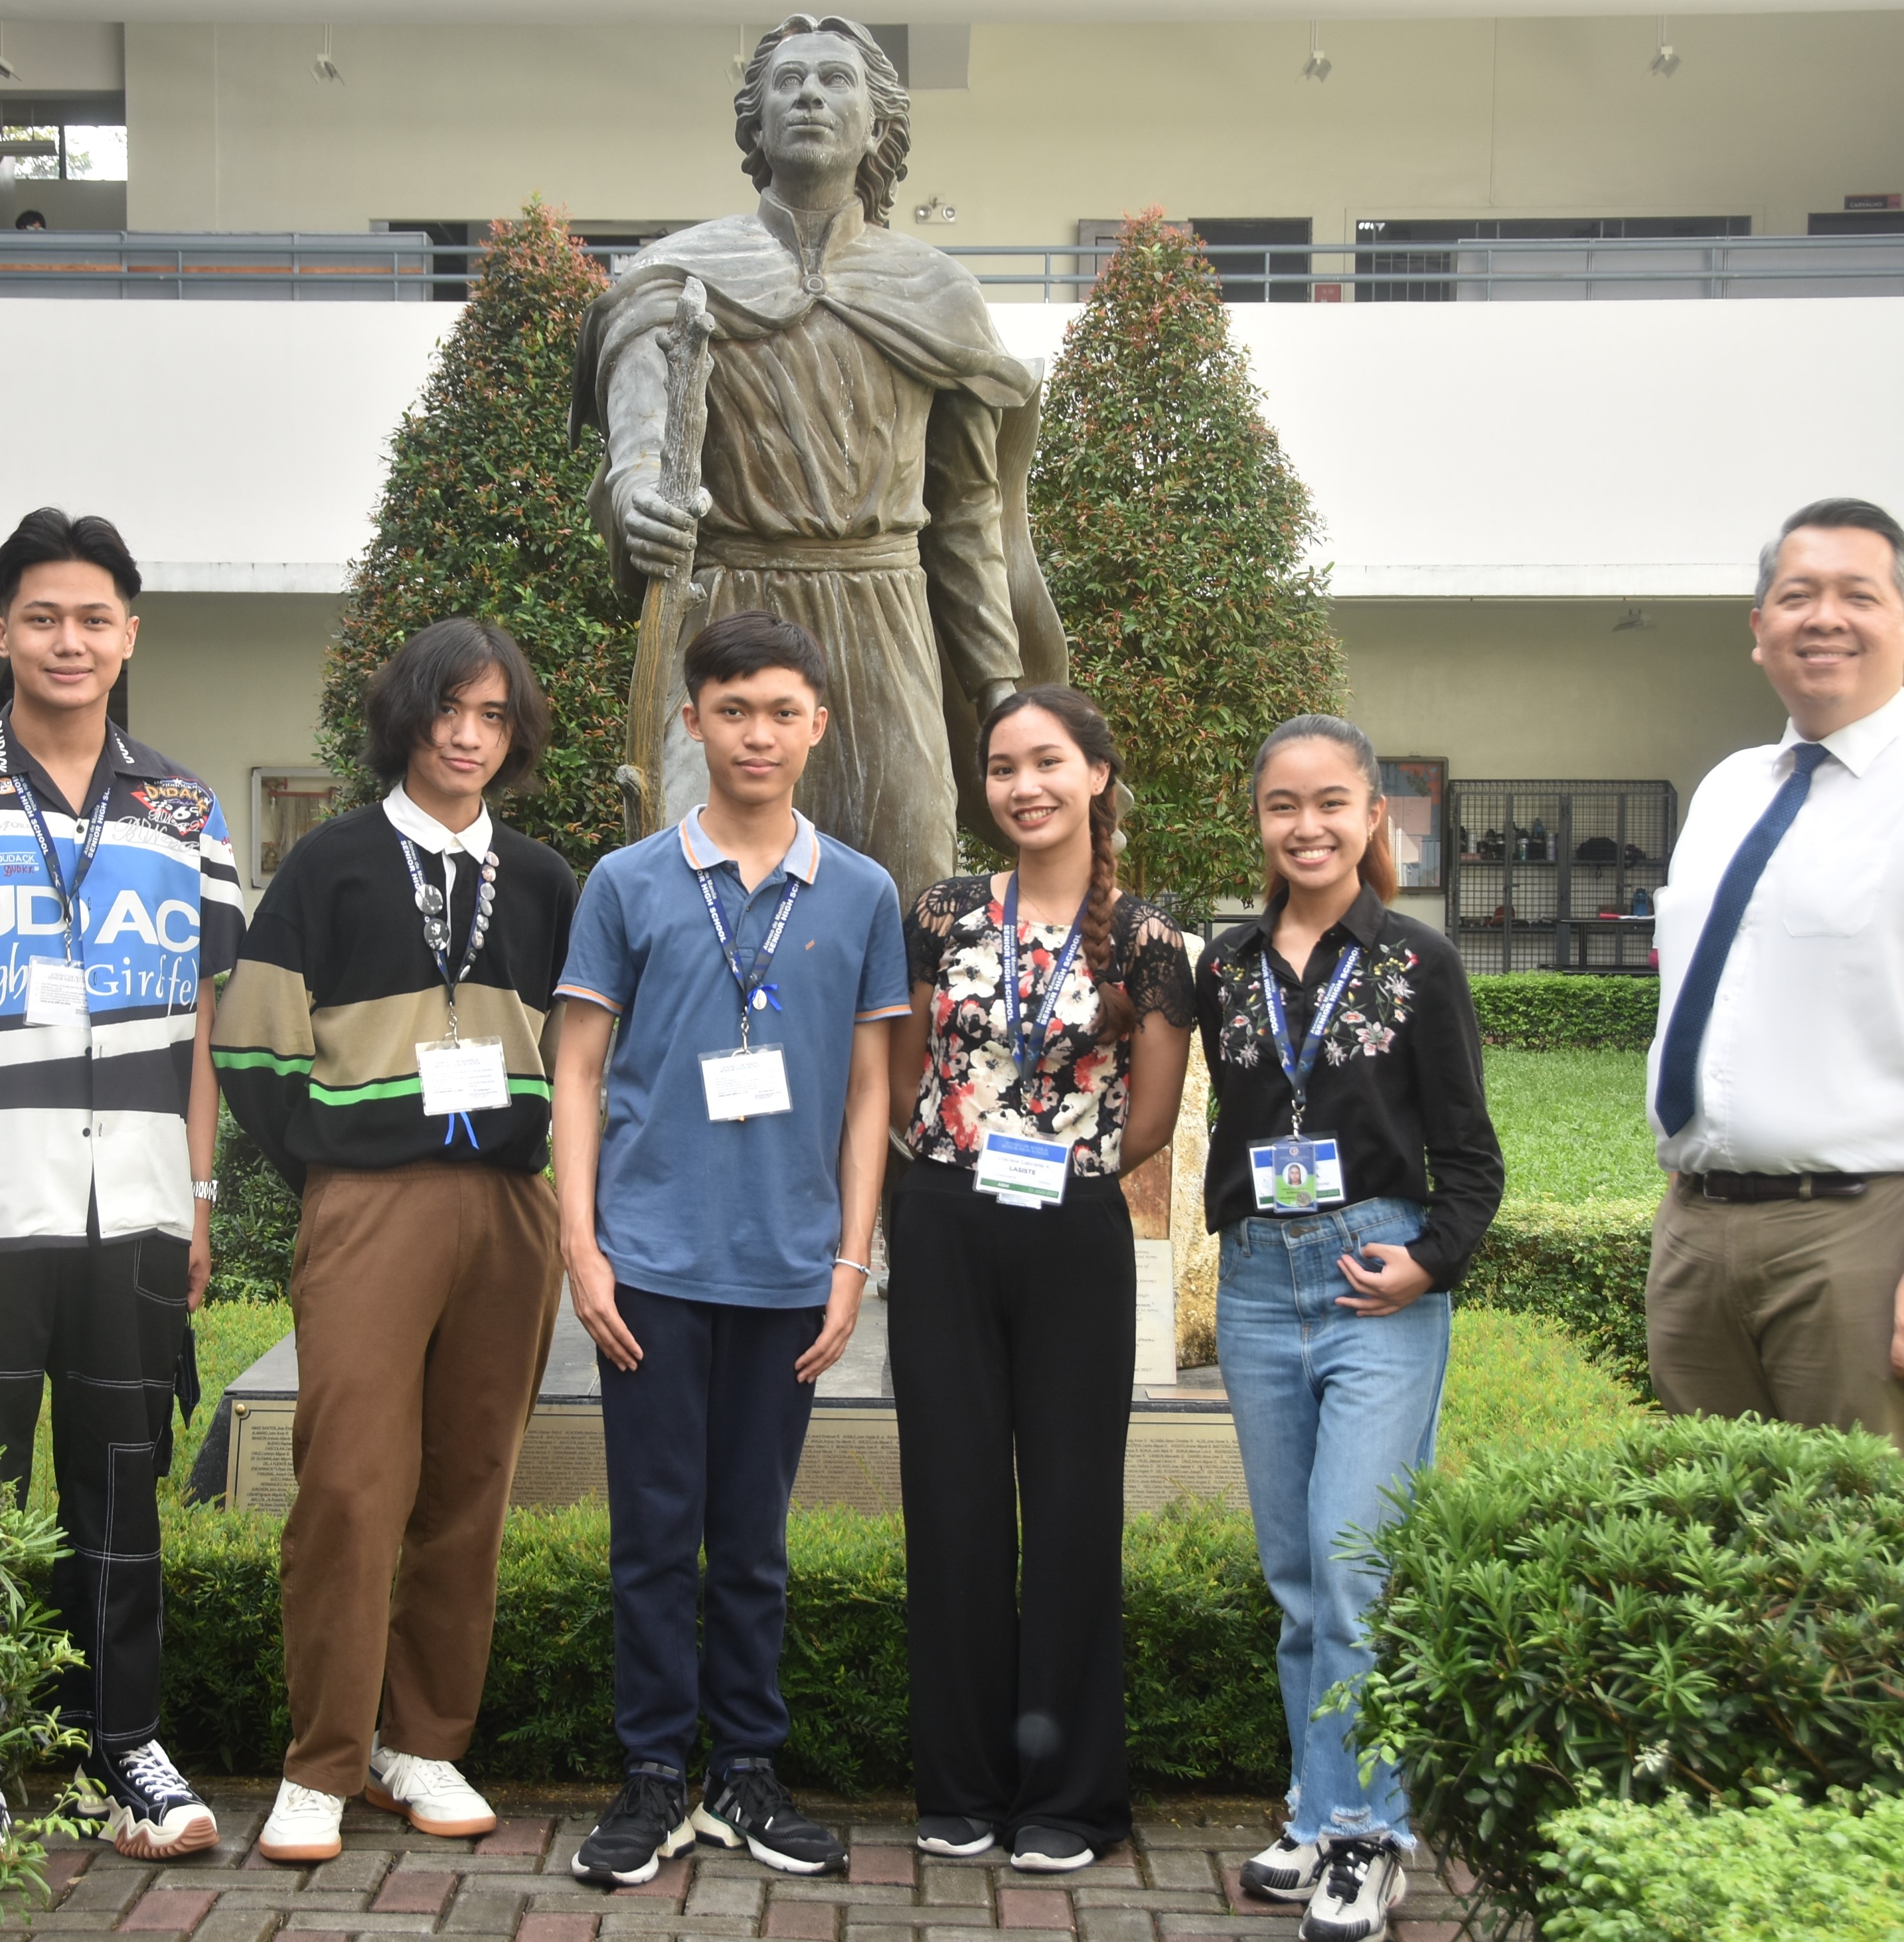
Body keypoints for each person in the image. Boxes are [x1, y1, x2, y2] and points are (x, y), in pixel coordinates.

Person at [0, 508, 244, 1858]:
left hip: (132, 1211)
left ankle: (122, 1741)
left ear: (129, 635)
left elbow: (198, 1023)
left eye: (94, 618)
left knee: (121, 1490)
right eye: (42, 616)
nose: (69, 641)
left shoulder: (186, 811)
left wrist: (194, 1199)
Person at [214, 619, 578, 1862]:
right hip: (371, 1203)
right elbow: (253, 1047)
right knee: (352, 1481)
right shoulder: (330, 863)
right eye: (448, 713)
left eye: (491, 717)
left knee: (472, 1481)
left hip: (509, 1209)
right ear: (406, 721)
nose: (469, 737)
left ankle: (420, 1742)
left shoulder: (540, 880)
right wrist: (337, 1149)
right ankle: (319, 1759)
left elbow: (583, 1060)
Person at [553, 609, 907, 1886]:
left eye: (780, 711)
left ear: (818, 724)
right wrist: (581, 1251)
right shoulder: (626, 882)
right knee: (653, 1533)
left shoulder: (859, 892)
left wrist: (850, 1261)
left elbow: (872, 1093)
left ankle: (748, 1773)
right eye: (732, 709)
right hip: (647, 1263)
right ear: (692, 721)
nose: (756, 733)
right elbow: (577, 1073)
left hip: (787, 1268)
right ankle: (651, 1777)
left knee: (753, 1536)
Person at [574, 13, 1062, 906]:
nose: (808, 93)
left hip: (887, 621)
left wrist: (998, 691)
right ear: (752, 123)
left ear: (877, 125)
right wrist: (637, 493)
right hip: (728, 614)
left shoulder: (935, 292)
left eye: (835, 79)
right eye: (787, 79)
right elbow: (638, 447)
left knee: (913, 888)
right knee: (704, 889)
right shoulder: (674, 278)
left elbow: (962, 521)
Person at [1645, 497, 1904, 1468]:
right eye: (1796, 595)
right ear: (1758, 630)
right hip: (1698, 1223)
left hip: (1869, 1230)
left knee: (1868, 1565)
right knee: (1711, 1560)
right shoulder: (1727, 789)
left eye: (1855, 595)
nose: (1822, 617)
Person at [1197, 714, 1504, 1942]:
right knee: (1294, 1578)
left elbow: (1472, 1159)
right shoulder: (1224, 969)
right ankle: (1318, 1813)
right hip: (1258, 1283)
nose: (1306, 826)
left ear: (1374, 816)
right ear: (1258, 820)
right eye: (1282, 804)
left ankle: (1372, 1838)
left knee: (1356, 1565)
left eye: (1332, 802)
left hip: (1372, 1275)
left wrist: (1426, 1264)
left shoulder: (1418, 964)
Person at [885, 687, 1194, 1873]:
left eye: (1047, 763)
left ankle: (1070, 1799)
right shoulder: (945, 913)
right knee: (951, 1503)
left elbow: (1153, 1118)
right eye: (1003, 767)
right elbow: (910, 1064)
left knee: (1070, 1511)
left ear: (1097, 777)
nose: (1023, 786)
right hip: (946, 1220)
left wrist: (1058, 1174)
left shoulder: (1152, 942)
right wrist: (957, 1172)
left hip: (1070, 1229)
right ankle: (960, 1785)